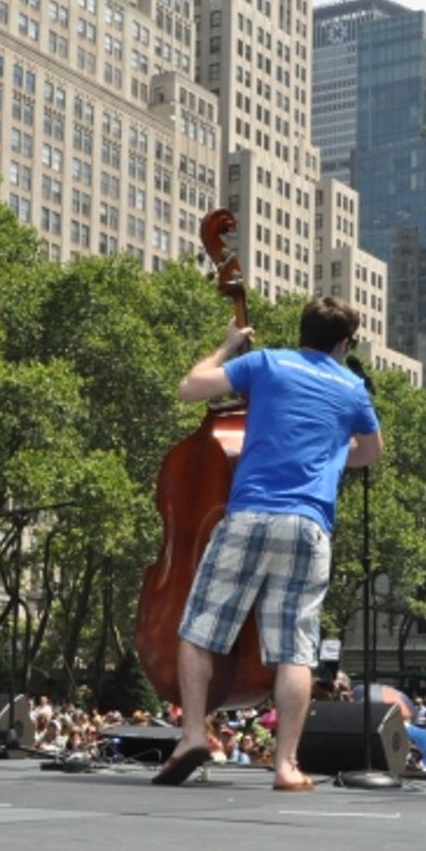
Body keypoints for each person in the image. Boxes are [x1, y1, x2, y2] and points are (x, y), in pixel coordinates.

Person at [154, 297, 383, 791]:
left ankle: (193, 733)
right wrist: (329, 446)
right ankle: (285, 765)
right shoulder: (353, 387)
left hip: (251, 513)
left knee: (198, 631)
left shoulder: (267, 362)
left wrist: (227, 346)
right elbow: (371, 452)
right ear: (344, 344)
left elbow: (190, 388)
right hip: (309, 525)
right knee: (295, 650)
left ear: (301, 332)